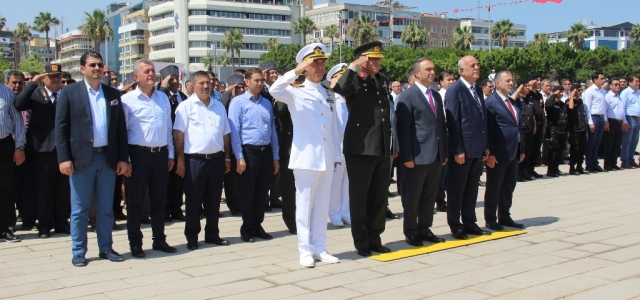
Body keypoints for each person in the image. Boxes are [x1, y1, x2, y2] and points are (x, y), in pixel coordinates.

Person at [270, 43, 342, 267]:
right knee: (304, 206)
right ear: (306, 65)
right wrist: (296, 71)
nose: (320, 67)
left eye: (322, 63)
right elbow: (274, 90)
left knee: (321, 206)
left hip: (326, 157)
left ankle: (319, 246)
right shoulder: (294, 90)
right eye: (315, 63)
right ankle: (305, 249)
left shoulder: (328, 93)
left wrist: (337, 156)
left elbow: (333, 128)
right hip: (306, 158)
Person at [55, 51, 129, 266]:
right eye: (92, 65)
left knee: (106, 209)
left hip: (107, 158)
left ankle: (106, 248)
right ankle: (79, 251)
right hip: (81, 161)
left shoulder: (112, 94)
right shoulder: (69, 93)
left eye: (99, 64)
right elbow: (61, 128)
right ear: (82, 69)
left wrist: (122, 158)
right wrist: (64, 158)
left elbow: (120, 130)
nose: (97, 68)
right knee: (80, 209)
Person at [333, 41, 392, 257]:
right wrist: (352, 66)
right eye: (372, 59)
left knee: (379, 198)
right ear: (363, 60)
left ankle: (375, 238)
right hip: (360, 148)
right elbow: (340, 89)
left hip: (382, 147)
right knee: (360, 198)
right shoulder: (355, 80)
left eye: (378, 59)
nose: (377, 62)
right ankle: (362, 241)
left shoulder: (382, 80)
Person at [121, 59, 177, 257]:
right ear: (136, 77)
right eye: (147, 71)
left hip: (160, 154)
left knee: (159, 201)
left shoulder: (162, 98)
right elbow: (123, 132)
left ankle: (159, 239)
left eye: (153, 71)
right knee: (135, 202)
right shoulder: (128, 100)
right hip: (137, 155)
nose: (151, 74)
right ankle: (135, 243)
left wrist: (170, 153)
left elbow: (168, 128)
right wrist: (126, 159)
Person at [173, 71, 232, 250]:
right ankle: (192, 237)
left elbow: (226, 134)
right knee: (193, 200)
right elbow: (178, 135)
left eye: (208, 83)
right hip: (194, 161)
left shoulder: (219, 106)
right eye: (201, 83)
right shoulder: (185, 106)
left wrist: (227, 158)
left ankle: (212, 234)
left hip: (216, 159)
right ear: (193, 85)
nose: (206, 86)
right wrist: (180, 160)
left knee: (214, 199)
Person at [14, 63, 71, 238]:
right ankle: (44, 225)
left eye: (58, 76)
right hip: (42, 150)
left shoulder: (67, 94)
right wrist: (34, 82)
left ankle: (62, 223)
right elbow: (19, 104)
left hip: (64, 149)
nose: (55, 79)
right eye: (51, 76)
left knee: (63, 190)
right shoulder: (37, 93)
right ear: (44, 78)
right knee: (43, 190)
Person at [396, 58, 448, 246]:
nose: (432, 73)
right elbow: (403, 129)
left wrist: (444, 152)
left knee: (429, 196)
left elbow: (440, 126)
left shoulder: (435, 96)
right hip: (416, 157)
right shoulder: (408, 96)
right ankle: (411, 231)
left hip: (435, 155)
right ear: (417, 73)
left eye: (434, 69)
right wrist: (407, 156)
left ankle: (425, 228)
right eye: (428, 69)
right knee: (412, 196)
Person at [228, 68, 279, 243]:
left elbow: (272, 130)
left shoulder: (266, 103)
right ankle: (247, 227)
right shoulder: (238, 102)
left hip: (265, 152)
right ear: (247, 82)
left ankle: (258, 225)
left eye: (261, 80)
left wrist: (275, 156)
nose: (259, 84)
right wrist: (239, 156)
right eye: (256, 80)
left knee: (262, 192)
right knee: (247, 193)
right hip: (248, 153)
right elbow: (234, 131)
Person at [444, 55, 491, 240]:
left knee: (472, 188)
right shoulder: (455, 90)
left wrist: (485, 145)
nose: (477, 67)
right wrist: (458, 149)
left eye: (478, 64)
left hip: (477, 147)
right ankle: (456, 225)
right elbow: (453, 121)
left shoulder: (477, 90)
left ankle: (470, 222)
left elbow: (482, 119)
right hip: (462, 149)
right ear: (462, 70)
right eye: (473, 65)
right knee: (457, 189)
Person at [484, 71, 525, 231]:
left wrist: (521, 148)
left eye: (512, 80)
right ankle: (490, 218)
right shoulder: (491, 103)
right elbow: (488, 130)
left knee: (508, 186)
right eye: (507, 80)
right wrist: (491, 152)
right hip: (498, 154)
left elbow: (517, 127)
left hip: (513, 152)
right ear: (497, 83)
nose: (511, 83)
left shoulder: (512, 102)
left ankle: (505, 215)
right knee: (494, 187)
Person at [157, 65, 188, 222]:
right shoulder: (160, 95)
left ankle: (176, 209)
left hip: (180, 144)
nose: (176, 81)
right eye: (172, 79)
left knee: (178, 180)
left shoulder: (182, 96)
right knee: (165, 182)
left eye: (177, 78)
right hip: (166, 143)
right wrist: (163, 87)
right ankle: (165, 210)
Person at [325, 63, 351, 228]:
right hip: (336, 146)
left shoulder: (350, 99)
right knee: (335, 183)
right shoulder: (331, 100)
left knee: (348, 183)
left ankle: (346, 212)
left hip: (350, 146)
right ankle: (334, 213)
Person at [0, 81, 26, 242]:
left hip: (4, 145)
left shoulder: (6, 92)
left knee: (4, 188)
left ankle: (5, 228)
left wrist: (20, 146)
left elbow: (17, 121)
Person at [5, 71, 29, 230]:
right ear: (7, 82)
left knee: (12, 187)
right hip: (7, 146)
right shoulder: (7, 96)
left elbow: (19, 123)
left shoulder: (10, 95)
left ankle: (8, 224)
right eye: (14, 82)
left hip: (12, 146)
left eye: (20, 82)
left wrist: (19, 146)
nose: (17, 86)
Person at [220, 74, 246, 216]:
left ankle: (243, 204)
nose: (241, 90)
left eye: (243, 87)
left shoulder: (246, 101)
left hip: (243, 145)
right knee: (231, 181)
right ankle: (234, 205)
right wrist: (229, 92)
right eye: (238, 87)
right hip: (228, 146)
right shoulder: (226, 101)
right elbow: (221, 106)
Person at [260, 61, 284, 211]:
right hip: (265, 134)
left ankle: (275, 197)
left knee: (278, 167)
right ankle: (264, 199)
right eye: (271, 72)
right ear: (264, 74)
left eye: (276, 72)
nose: (275, 75)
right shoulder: (262, 90)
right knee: (266, 169)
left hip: (280, 132)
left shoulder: (281, 89)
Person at [436, 70, 455, 211]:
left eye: (453, 79)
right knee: (441, 172)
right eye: (448, 79)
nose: (451, 82)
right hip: (443, 136)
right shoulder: (439, 96)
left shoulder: (454, 94)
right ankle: (440, 200)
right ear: (441, 82)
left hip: (453, 136)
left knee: (449, 171)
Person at [583, 72, 609, 173]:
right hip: (593, 117)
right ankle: (589, 164)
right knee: (592, 142)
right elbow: (587, 107)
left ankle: (595, 163)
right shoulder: (590, 91)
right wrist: (590, 122)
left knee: (597, 143)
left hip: (601, 117)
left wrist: (605, 119)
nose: (604, 80)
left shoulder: (602, 91)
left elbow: (604, 107)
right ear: (594, 80)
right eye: (601, 78)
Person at [513, 80, 536, 182]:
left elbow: (532, 113)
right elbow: (511, 100)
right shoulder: (517, 98)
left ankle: (525, 171)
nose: (528, 88)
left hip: (530, 128)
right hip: (521, 129)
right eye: (526, 86)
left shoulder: (529, 99)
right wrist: (518, 90)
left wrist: (534, 125)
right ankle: (518, 173)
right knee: (520, 152)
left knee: (528, 152)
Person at [545, 85, 569, 177]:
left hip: (562, 129)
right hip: (554, 129)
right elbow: (548, 106)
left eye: (562, 92)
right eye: (559, 91)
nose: (561, 93)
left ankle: (556, 168)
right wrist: (553, 95)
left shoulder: (562, 104)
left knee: (560, 151)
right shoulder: (551, 103)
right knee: (553, 150)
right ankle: (551, 170)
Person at [602, 78, 624, 171]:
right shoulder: (608, 97)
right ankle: (608, 164)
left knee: (616, 144)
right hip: (611, 121)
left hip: (619, 122)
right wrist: (606, 121)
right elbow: (604, 110)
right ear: (610, 86)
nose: (618, 86)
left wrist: (624, 121)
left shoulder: (619, 96)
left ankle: (614, 162)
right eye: (615, 84)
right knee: (609, 144)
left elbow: (622, 110)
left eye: (618, 84)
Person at [526, 73, 545, 178]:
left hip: (540, 123)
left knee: (536, 148)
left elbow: (542, 108)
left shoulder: (539, 95)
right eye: (537, 80)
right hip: (532, 124)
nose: (539, 82)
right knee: (530, 148)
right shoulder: (528, 94)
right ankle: (526, 169)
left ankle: (532, 168)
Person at [567, 84, 589, 175]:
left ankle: (579, 166)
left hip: (582, 128)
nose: (579, 92)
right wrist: (572, 95)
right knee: (574, 149)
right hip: (574, 129)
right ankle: (572, 168)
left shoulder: (580, 101)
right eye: (578, 90)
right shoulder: (569, 101)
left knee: (582, 149)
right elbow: (571, 107)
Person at [620, 74, 640, 169]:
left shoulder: (637, 92)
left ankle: (631, 159)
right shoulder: (625, 93)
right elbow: (622, 107)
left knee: (634, 141)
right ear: (630, 82)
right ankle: (625, 161)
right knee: (627, 141)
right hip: (629, 118)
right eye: (636, 81)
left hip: (637, 118)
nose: (638, 83)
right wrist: (624, 121)